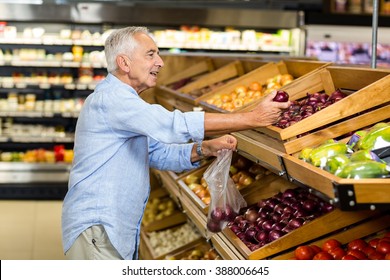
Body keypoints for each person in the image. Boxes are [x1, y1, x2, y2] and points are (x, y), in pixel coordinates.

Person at [61, 26, 290, 260]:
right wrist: (252, 118)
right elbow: (170, 125)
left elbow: (157, 153)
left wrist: (203, 148)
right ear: (124, 63)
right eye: (151, 54)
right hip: (98, 227)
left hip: (111, 227)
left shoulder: (125, 102)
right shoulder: (112, 99)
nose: (160, 62)